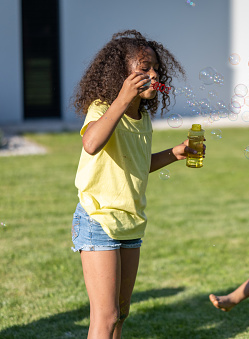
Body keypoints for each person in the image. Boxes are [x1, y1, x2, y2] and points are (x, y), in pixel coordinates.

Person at [71, 30, 198, 339]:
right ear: (122, 74)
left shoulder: (142, 119)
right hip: (99, 219)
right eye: (144, 68)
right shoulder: (101, 109)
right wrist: (121, 100)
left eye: (155, 68)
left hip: (131, 221)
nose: (153, 74)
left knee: (121, 314)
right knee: (107, 315)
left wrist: (174, 153)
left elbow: (138, 166)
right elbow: (91, 143)